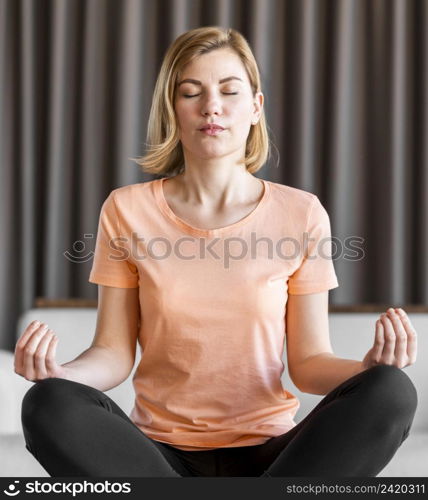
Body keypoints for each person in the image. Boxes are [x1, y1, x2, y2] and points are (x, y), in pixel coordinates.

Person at [17, 26, 418, 478]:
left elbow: (308, 365)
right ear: (174, 108)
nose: (211, 106)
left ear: (254, 107)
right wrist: (60, 373)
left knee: (391, 390)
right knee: (48, 402)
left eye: (229, 90)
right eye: (192, 92)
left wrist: (365, 370)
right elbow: (112, 353)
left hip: (274, 457)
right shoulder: (126, 209)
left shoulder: (301, 213)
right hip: (158, 458)